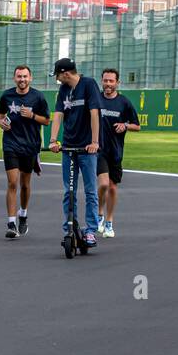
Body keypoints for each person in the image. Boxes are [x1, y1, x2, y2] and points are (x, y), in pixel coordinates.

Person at [47, 57, 103, 249]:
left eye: (58, 75)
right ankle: (69, 227)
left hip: (87, 148)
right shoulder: (63, 90)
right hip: (69, 147)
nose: (57, 79)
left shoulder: (89, 85)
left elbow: (95, 114)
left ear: (66, 73)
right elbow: (58, 115)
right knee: (68, 191)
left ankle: (90, 231)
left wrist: (95, 142)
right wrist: (53, 140)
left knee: (90, 191)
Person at [0, 65, 50, 239]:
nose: (22, 80)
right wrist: (2, 123)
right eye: (19, 77)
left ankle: (23, 214)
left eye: (25, 76)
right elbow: (0, 115)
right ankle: (11, 223)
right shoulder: (7, 95)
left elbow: (47, 121)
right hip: (11, 143)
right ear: (14, 78)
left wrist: (33, 115)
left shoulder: (38, 97)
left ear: (30, 78)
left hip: (30, 145)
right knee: (12, 182)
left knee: (25, 185)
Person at [96, 68, 139, 238]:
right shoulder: (96, 99)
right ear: (102, 81)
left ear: (117, 83)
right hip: (98, 149)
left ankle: (109, 222)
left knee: (113, 187)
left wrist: (125, 126)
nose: (108, 84)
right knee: (104, 184)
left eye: (111, 81)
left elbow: (137, 125)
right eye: (105, 80)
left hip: (116, 151)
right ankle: (99, 214)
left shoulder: (124, 102)